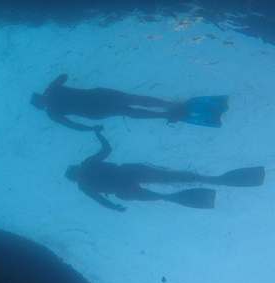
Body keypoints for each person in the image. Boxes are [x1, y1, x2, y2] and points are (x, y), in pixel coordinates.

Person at [65, 127, 265, 211]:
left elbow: (101, 200)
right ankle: (216, 180)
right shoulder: (88, 164)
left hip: (124, 189)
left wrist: (115, 207)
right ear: (76, 168)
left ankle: (193, 195)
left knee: (162, 195)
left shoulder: (83, 186)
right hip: (130, 173)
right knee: (171, 176)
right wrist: (97, 133)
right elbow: (107, 149)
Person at [31, 74, 229, 131]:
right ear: (41, 100)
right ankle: (167, 110)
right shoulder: (53, 103)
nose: (44, 99)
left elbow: (72, 125)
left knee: (131, 105)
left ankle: (168, 110)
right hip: (97, 100)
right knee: (130, 105)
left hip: (97, 102)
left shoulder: (52, 112)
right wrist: (51, 87)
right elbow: (63, 76)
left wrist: (90, 129)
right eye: (42, 99)